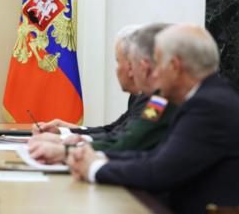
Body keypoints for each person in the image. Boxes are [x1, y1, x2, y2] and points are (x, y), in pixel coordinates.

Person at [68, 24, 239, 214]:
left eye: (158, 64)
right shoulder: (206, 97)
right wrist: (99, 157)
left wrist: (95, 168)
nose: (154, 74)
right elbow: (156, 156)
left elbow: (160, 171)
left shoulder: (207, 106)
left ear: (174, 67)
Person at [29, 23, 177, 164]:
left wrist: (67, 151)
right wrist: (67, 134)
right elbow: (118, 130)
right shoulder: (151, 96)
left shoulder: (160, 100)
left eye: (120, 62)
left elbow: (131, 141)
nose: (128, 71)